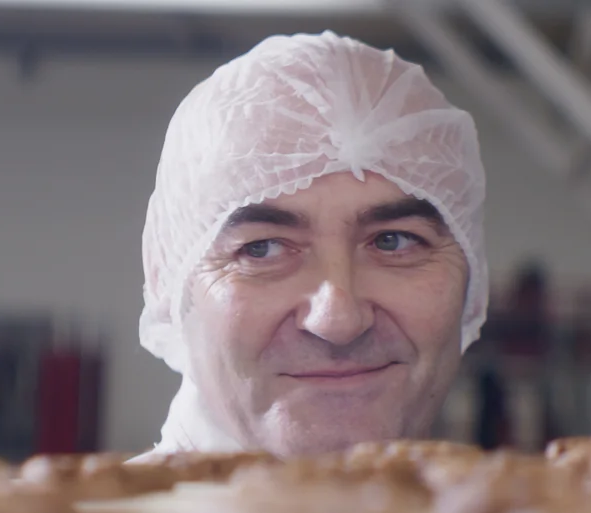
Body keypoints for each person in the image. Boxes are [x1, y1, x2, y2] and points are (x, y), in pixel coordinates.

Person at [136, 32, 487, 459]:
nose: (338, 321)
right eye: (262, 249)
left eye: (394, 242)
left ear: (472, 282)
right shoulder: (91, 508)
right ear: (167, 280)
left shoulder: (522, 504)